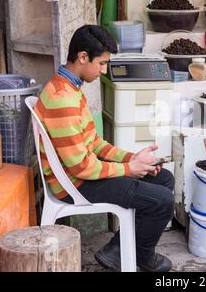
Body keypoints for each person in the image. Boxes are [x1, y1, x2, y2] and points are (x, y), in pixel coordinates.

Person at [34, 25, 174, 272]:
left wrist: (134, 159)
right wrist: (129, 169)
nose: (103, 71)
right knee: (162, 201)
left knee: (163, 178)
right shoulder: (62, 100)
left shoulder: (70, 89)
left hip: (82, 174)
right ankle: (140, 256)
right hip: (75, 183)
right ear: (83, 57)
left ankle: (116, 251)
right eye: (101, 63)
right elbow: (82, 167)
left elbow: (94, 143)